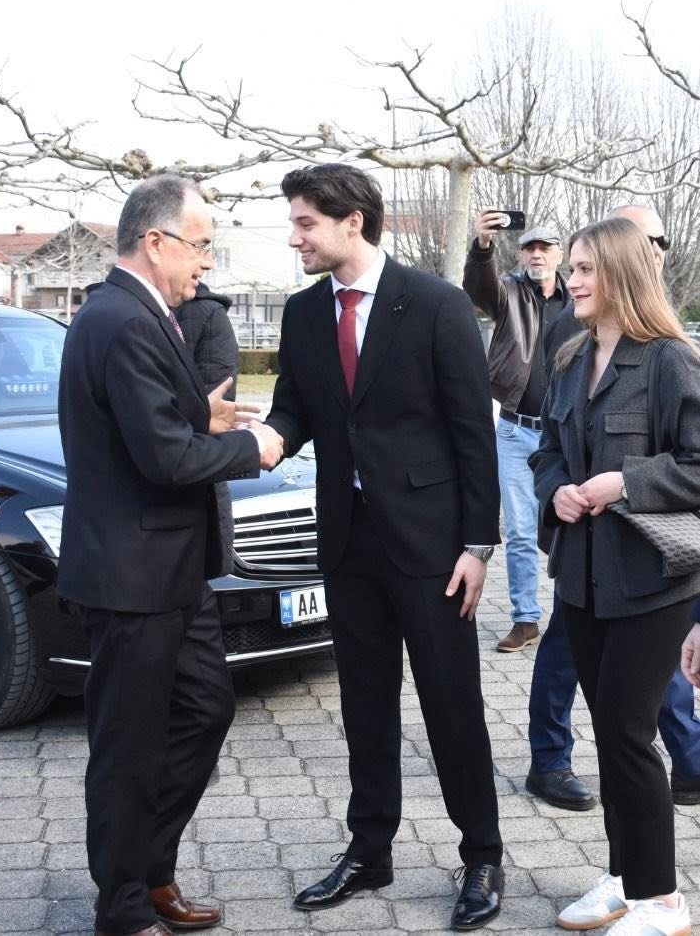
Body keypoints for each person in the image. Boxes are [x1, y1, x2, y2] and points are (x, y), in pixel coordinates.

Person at [266, 164, 504, 931]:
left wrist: (477, 543)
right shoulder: (303, 313)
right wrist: (261, 439)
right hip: (347, 541)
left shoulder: (434, 303)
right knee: (365, 706)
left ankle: (482, 853)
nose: (294, 237)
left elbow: (472, 433)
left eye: (305, 222)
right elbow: (293, 411)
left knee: (450, 704)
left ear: (352, 222)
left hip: (433, 546)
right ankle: (370, 850)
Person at [57, 174, 284, 936]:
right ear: (155, 242)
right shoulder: (120, 320)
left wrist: (201, 416)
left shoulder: (142, 314)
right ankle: (123, 906)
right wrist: (250, 447)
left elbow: (151, 423)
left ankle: (147, 867)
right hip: (131, 577)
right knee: (129, 746)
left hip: (172, 574)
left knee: (204, 708)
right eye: (199, 245)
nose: (205, 262)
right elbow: (161, 458)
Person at [530, 216, 700, 935]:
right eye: (570, 268)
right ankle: (625, 878)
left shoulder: (669, 360)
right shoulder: (571, 356)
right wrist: (558, 492)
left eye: (585, 269)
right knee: (607, 730)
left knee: (628, 731)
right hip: (582, 578)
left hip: (653, 582)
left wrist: (623, 482)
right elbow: (545, 451)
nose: (571, 280)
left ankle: (663, 901)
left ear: (622, 274)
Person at [463, 214, 568, 653]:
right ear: (521, 254)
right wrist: (482, 246)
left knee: (568, 528)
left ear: (559, 254)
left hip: (563, 437)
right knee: (522, 531)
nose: (537, 255)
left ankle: (572, 616)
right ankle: (525, 619)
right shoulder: (508, 291)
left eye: (545, 248)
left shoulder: (578, 299)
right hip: (514, 431)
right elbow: (478, 289)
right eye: (529, 248)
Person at [175, 282, 239, 576]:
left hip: (192, 497)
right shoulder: (114, 309)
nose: (206, 263)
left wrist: (253, 448)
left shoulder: (206, 313)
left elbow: (215, 415)